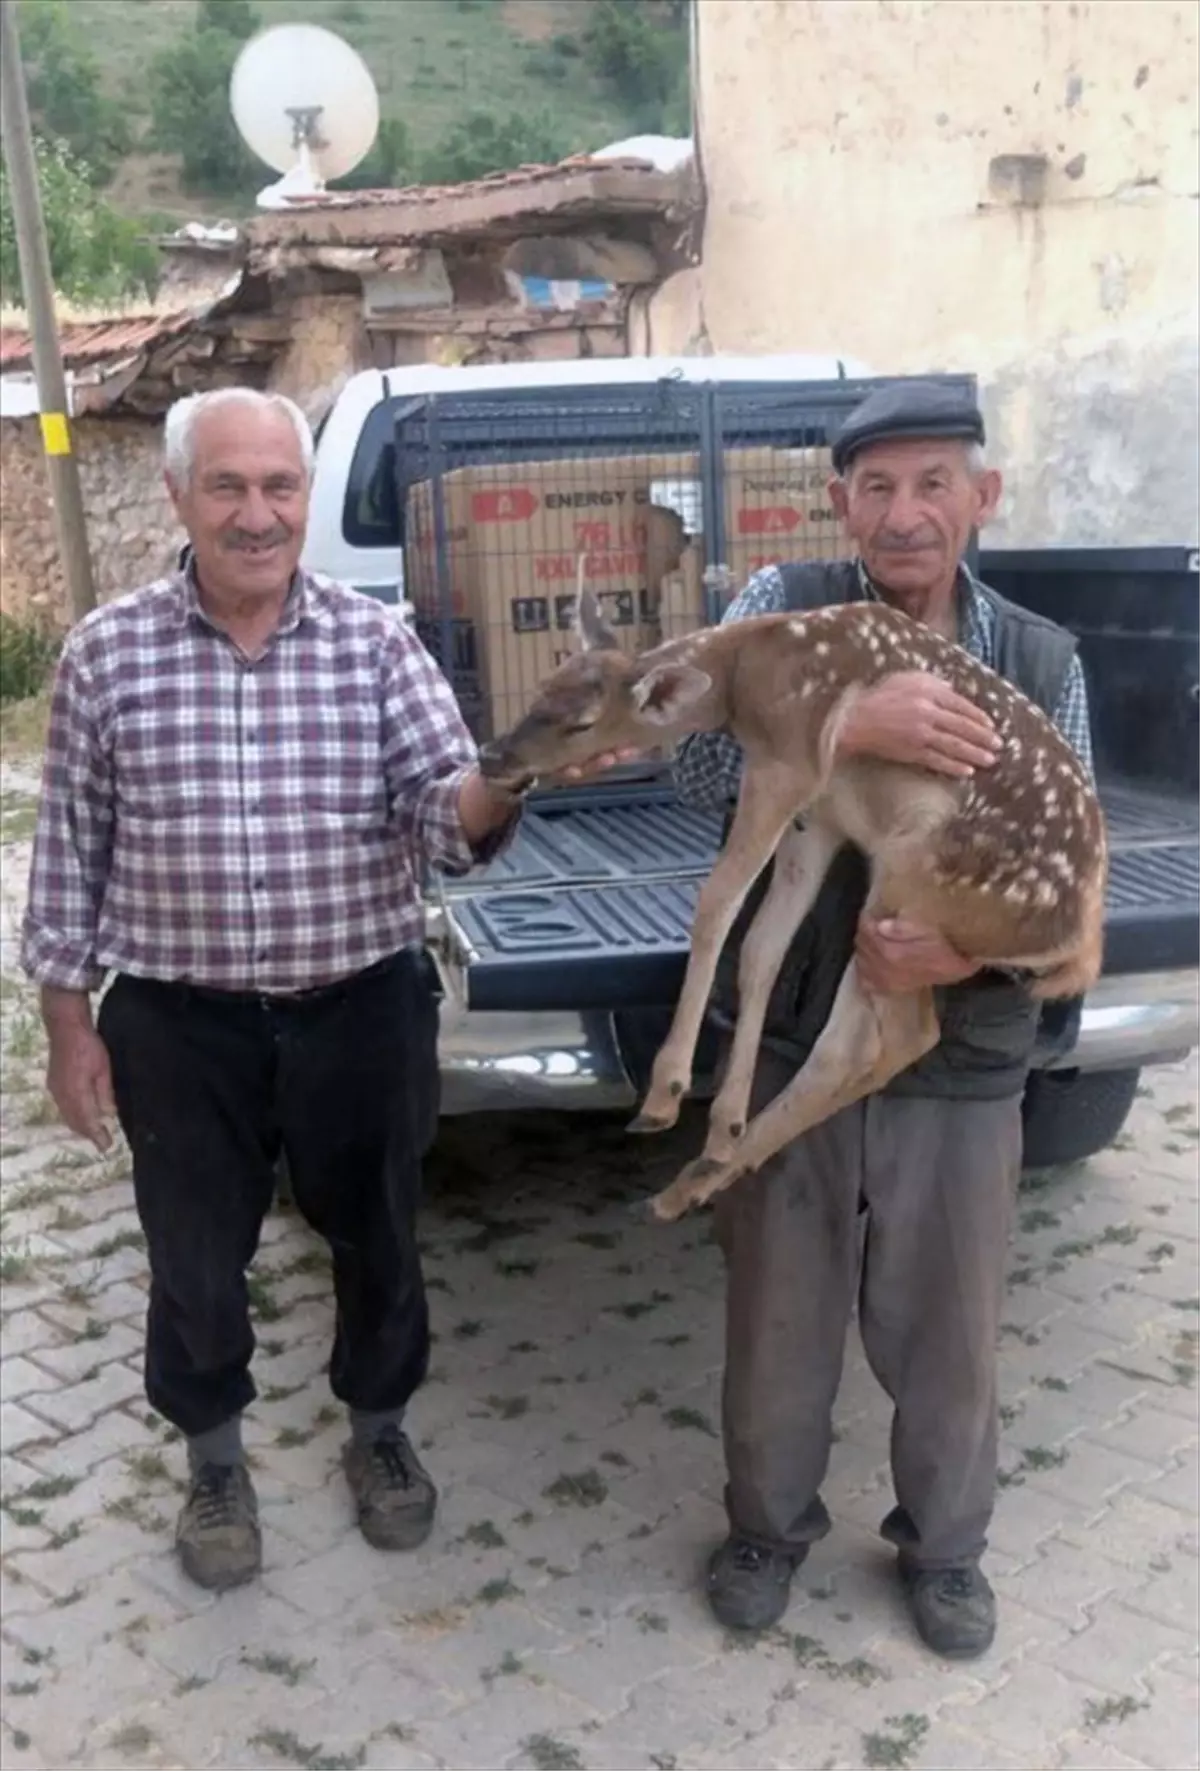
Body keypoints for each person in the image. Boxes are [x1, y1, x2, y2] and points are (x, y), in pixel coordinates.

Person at [20, 386, 629, 1594]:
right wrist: (66, 1026)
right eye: (230, 487)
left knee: (379, 1238)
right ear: (179, 496)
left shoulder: (374, 640)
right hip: (179, 1027)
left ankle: (379, 1434)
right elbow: (70, 852)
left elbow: (441, 818)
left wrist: (518, 770)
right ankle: (213, 1460)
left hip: (360, 1006)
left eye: (280, 488)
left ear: (306, 498)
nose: (258, 515)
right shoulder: (106, 654)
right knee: (194, 1257)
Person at [671, 380, 1095, 1659]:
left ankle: (947, 1548)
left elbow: (1069, 883)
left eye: (932, 484)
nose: (904, 514)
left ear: (983, 497)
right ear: (838, 500)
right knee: (778, 1309)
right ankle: (765, 1525)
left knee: (950, 1324)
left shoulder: (1038, 659)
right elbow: (694, 769)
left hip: (958, 1054)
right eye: (877, 487)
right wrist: (848, 717)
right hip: (798, 1038)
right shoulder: (774, 609)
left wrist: (961, 950)